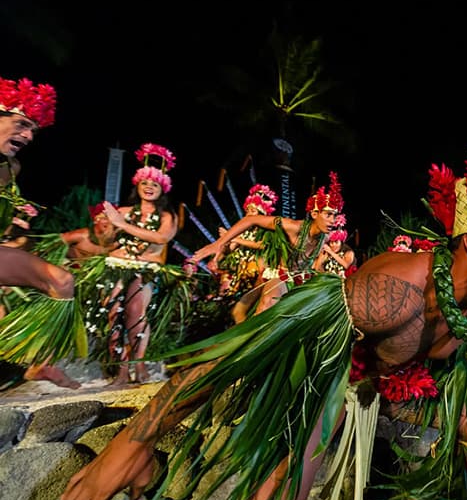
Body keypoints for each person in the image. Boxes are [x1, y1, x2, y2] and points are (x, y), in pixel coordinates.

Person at [55, 129, 467, 500]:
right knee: (281, 494)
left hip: (366, 383)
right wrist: (133, 444)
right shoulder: (394, 292)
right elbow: (237, 354)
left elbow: (463, 399)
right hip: (317, 371)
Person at [0, 76, 85, 389]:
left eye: (33, 130)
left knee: (61, 281)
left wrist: (14, 226)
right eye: (22, 125)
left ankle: (42, 365)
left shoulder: (10, 169)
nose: (28, 136)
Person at [83, 142, 180, 385]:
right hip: (116, 267)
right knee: (113, 316)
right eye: (145, 183)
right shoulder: (124, 211)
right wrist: (104, 226)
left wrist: (122, 224)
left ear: (163, 188)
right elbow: (106, 242)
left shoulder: (167, 216)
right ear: (137, 184)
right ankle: (121, 370)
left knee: (136, 314)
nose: (149, 187)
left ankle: (140, 365)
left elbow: (161, 238)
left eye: (155, 184)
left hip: (145, 271)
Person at [191, 171, 343, 315]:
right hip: (281, 277)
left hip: (302, 282)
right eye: (328, 215)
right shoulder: (294, 227)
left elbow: (313, 265)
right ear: (315, 214)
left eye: (335, 216)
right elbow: (250, 220)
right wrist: (218, 244)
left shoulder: (325, 237)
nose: (332, 221)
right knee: (264, 305)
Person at [214, 184, 279, 323]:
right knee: (234, 311)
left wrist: (235, 238)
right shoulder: (243, 231)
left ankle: (250, 333)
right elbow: (230, 249)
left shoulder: (267, 231)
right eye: (248, 210)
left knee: (241, 311)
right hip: (241, 277)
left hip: (259, 276)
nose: (249, 213)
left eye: (253, 211)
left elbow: (262, 245)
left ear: (261, 214)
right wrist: (226, 241)